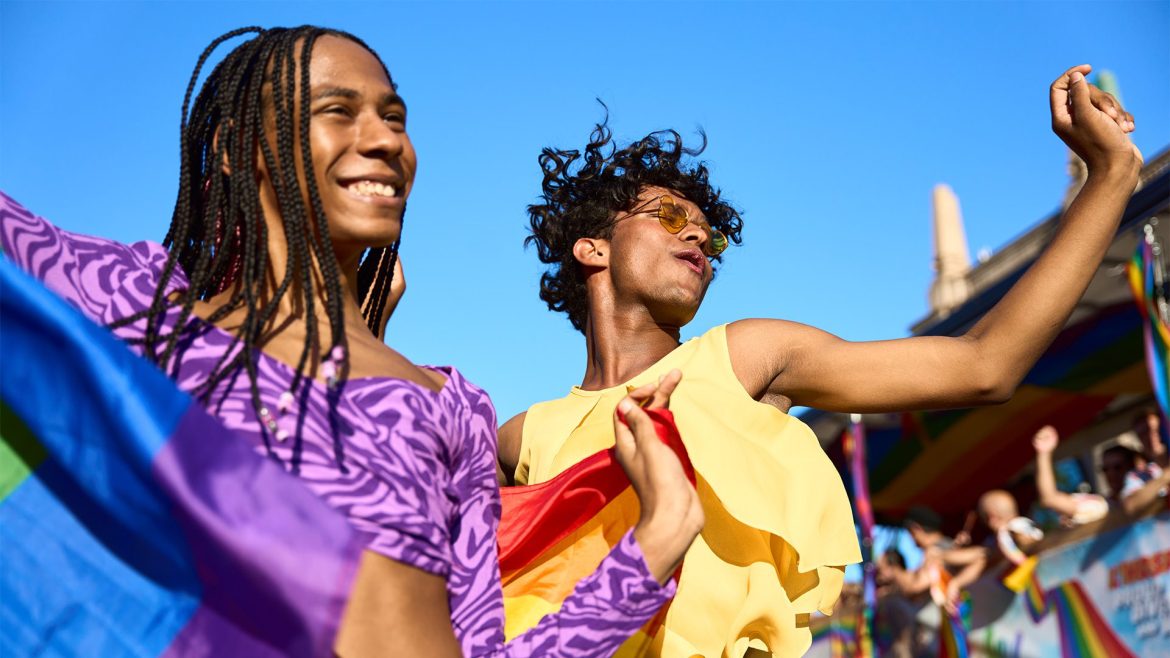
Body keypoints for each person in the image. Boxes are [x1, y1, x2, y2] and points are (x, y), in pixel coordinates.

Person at [0, 26, 703, 656]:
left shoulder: (449, 404)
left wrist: (656, 542)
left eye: (394, 117)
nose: (386, 140)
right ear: (238, 146)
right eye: (339, 111)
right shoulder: (138, 305)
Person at [499, 63, 1142, 657]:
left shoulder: (743, 356)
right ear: (592, 249)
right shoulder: (522, 440)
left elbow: (984, 364)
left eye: (709, 231)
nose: (697, 235)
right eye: (668, 215)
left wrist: (1110, 176)